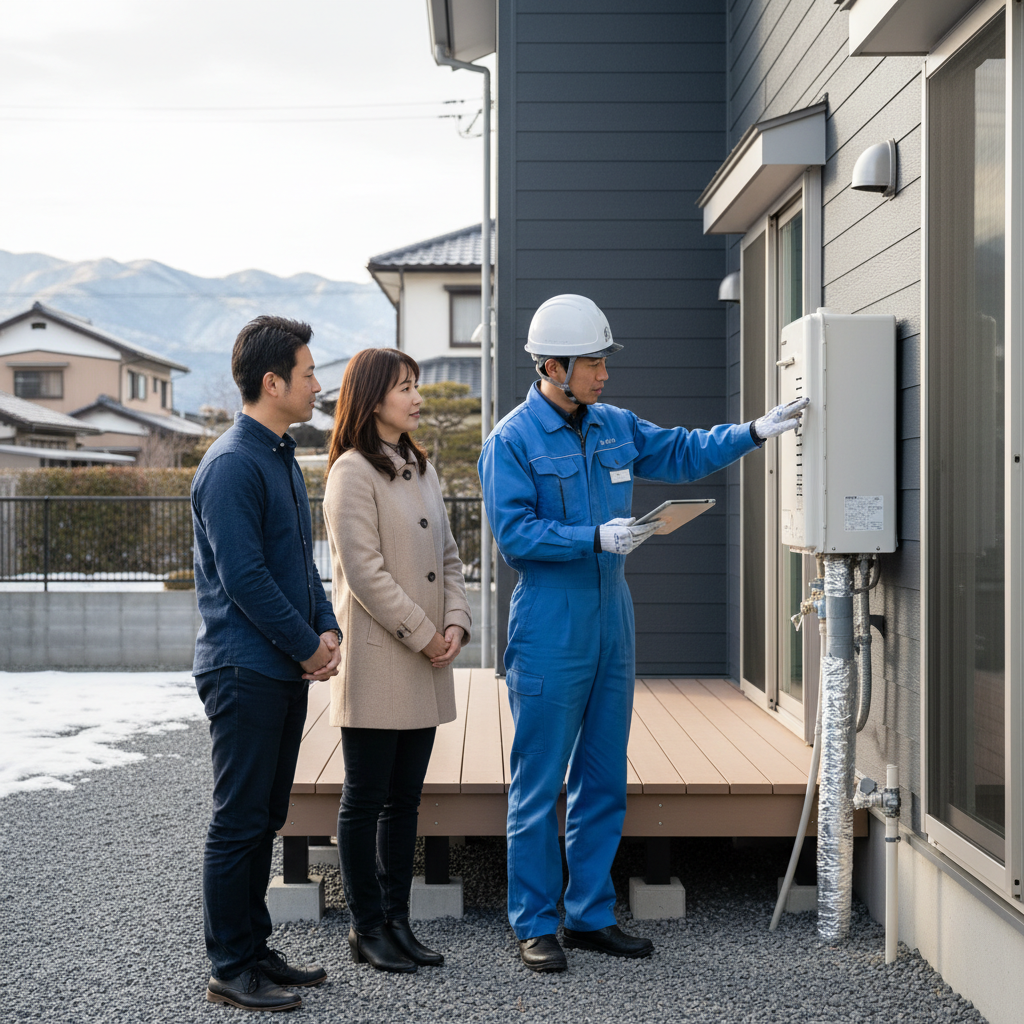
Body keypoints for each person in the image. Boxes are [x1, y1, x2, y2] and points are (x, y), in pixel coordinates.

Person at [479, 294, 808, 973]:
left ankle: (589, 915)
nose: (604, 374)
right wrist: (592, 537)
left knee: (603, 777)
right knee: (539, 782)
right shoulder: (510, 441)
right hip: (550, 622)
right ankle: (535, 923)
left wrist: (754, 431)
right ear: (552, 367)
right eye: (592, 363)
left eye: (605, 361)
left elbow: (682, 451)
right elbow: (514, 536)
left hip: (612, 618)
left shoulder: (615, 425)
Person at [191, 315, 342, 1011]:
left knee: (265, 815)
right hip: (242, 667)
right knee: (239, 820)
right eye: (308, 375)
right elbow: (245, 578)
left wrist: (325, 626)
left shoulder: (277, 455)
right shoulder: (231, 464)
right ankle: (230, 965)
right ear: (273, 382)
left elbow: (300, 566)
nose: (317, 386)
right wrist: (307, 646)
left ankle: (254, 949)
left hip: (277, 665)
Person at [322, 347, 472, 974]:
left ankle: (397, 920)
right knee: (365, 799)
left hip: (425, 656)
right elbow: (364, 574)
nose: (417, 397)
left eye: (416, 385)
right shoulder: (351, 472)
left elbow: (451, 555)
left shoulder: (420, 466)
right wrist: (424, 633)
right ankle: (366, 926)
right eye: (405, 387)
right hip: (383, 658)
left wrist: (456, 621)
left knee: (405, 800)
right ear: (372, 397)